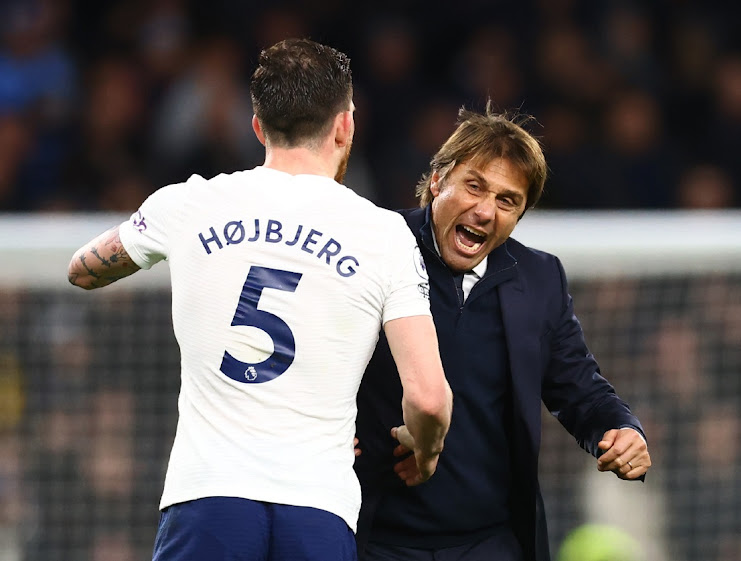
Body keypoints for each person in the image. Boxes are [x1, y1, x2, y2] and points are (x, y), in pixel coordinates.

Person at [67, 38, 453, 561]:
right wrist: (426, 450)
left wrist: (155, 237)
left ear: (257, 126)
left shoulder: (189, 204)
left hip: (207, 502)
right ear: (345, 126)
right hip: (318, 509)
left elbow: (81, 270)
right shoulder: (384, 235)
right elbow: (429, 398)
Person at [354, 102, 652, 561]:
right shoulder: (372, 247)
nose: (485, 210)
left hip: (488, 542)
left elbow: (579, 388)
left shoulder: (539, 279)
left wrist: (620, 428)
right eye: (474, 187)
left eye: (507, 200)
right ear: (438, 180)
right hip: (374, 538)